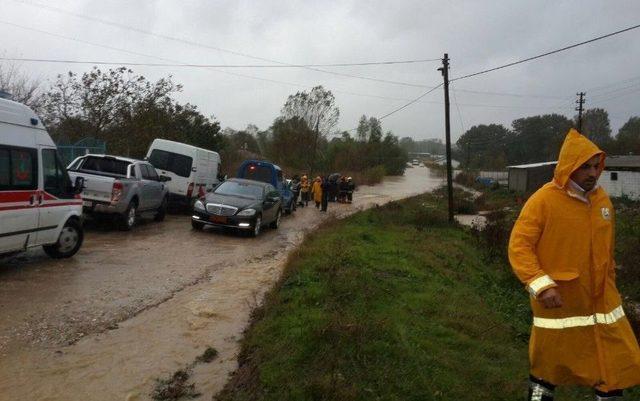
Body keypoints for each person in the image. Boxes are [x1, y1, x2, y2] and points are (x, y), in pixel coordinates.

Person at [508, 129, 640, 401]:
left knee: (613, 361)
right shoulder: (543, 201)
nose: (593, 173)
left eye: (596, 166)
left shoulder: (603, 202)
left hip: (604, 304)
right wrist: (542, 286)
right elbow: (519, 247)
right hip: (559, 303)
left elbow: (607, 252)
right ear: (569, 167)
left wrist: (611, 284)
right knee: (548, 366)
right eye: (585, 167)